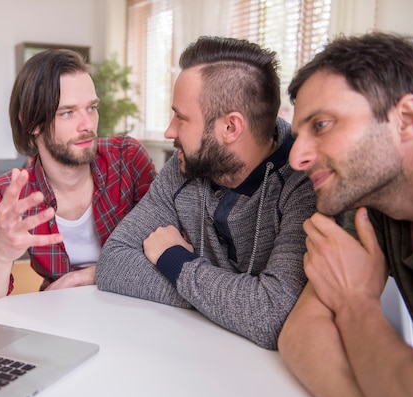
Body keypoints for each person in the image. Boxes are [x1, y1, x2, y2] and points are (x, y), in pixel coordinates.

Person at [95, 36, 317, 350]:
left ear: (230, 127)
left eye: (181, 117)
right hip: (192, 357)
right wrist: (233, 301)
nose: (169, 131)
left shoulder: (303, 183)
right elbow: (114, 263)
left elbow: (273, 315)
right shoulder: (185, 167)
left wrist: (173, 258)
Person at [278, 31, 413, 397]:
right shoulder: (370, 204)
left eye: (322, 125)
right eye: (298, 135)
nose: (296, 158)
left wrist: (355, 303)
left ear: (406, 119)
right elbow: (301, 332)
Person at [0, 49, 156, 300]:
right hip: (61, 311)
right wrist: (0, 253)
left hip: (136, 303)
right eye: (67, 112)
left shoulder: (128, 159)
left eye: (91, 108)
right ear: (32, 123)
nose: (87, 124)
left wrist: (87, 276)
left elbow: (168, 249)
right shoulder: (10, 193)